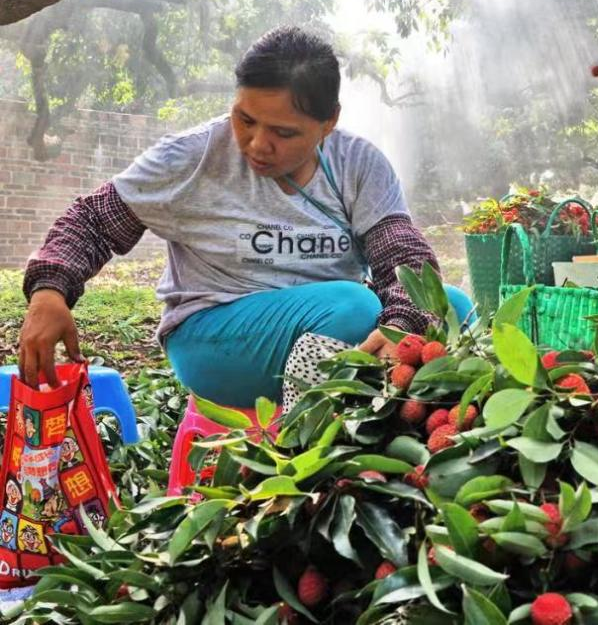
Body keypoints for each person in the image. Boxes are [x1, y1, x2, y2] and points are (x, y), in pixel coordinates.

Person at [17, 27, 440, 410]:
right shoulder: (192, 158)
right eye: (245, 119)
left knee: (446, 309)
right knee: (352, 308)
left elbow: (401, 252)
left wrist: (402, 323)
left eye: (284, 132)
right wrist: (50, 290)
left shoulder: (358, 164)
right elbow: (93, 219)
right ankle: (304, 457)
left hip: (327, 325)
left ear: (328, 122)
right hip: (214, 336)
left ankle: (382, 455)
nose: (257, 144)